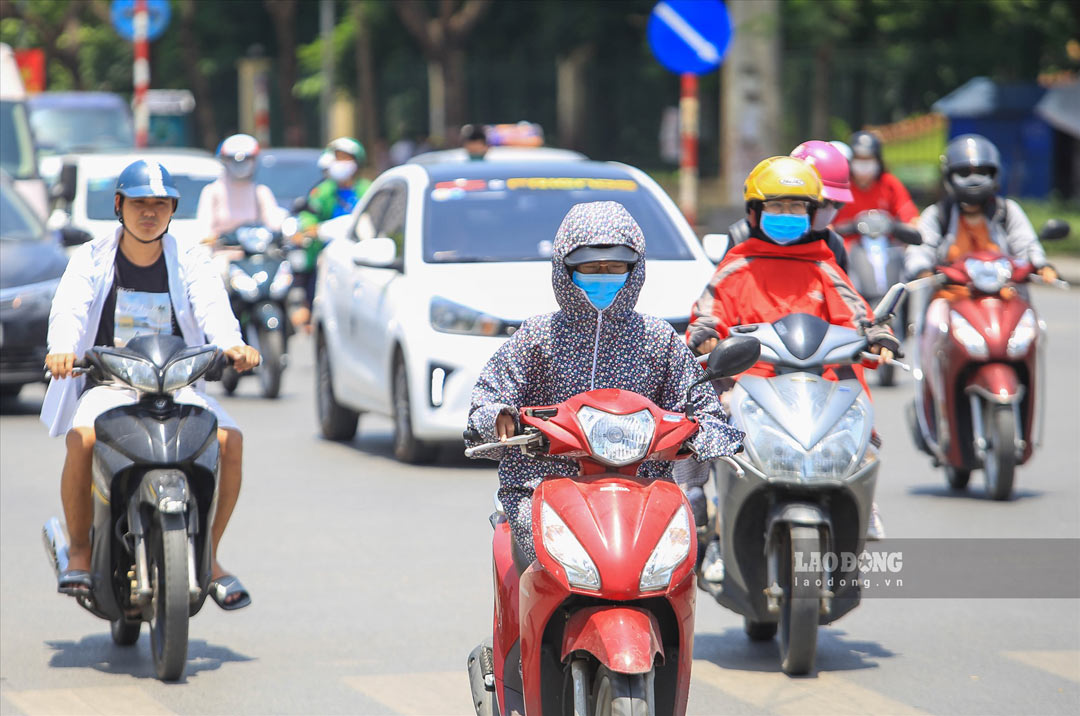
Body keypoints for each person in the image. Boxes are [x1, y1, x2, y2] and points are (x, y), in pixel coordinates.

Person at [466, 201, 744, 562]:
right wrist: (498, 417)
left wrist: (708, 433)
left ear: (635, 269)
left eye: (615, 267)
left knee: (679, 563)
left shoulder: (657, 339)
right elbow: (488, 396)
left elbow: (703, 406)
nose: (603, 274)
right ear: (565, 269)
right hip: (543, 485)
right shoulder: (538, 336)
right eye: (590, 267)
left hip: (645, 491)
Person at [41, 160, 260, 609]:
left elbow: (212, 304)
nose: (149, 213)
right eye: (139, 202)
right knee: (82, 440)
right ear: (119, 205)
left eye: (160, 204)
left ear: (172, 210)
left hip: (176, 383)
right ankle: (80, 552)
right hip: (110, 384)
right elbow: (71, 308)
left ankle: (211, 557)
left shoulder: (191, 258)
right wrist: (63, 347)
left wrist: (231, 344)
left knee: (230, 441)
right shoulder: (91, 257)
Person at [682, 157, 898, 575]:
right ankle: (701, 510)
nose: (788, 216)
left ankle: (861, 502)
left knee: (862, 426)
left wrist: (876, 334)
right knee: (701, 422)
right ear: (754, 213)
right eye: (777, 207)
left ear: (812, 213)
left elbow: (857, 316)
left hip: (818, 386)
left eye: (797, 208)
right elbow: (707, 313)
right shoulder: (735, 267)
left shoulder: (823, 267)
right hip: (748, 386)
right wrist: (705, 334)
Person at [905, 133, 1057, 284]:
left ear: (994, 174)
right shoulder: (938, 214)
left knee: (1027, 310)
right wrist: (922, 270)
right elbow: (921, 250)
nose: (974, 179)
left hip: (1004, 296)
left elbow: (1026, 245)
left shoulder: (1008, 211)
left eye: (982, 172)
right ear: (949, 176)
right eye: (964, 173)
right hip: (950, 297)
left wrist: (1041, 265)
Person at [725, 140, 854, 271]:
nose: (828, 210)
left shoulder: (832, 245)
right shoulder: (742, 237)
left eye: (837, 203)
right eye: (823, 202)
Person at [290, 137, 373, 329]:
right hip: (325, 255)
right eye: (337, 158)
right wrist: (310, 230)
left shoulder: (367, 189)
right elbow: (309, 217)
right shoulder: (323, 191)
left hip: (359, 254)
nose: (340, 163)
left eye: (345, 158)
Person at [833, 130, 920, 247]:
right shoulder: (841, 185)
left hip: (886, 251)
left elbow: (912, 221)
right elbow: (826, 226)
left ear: (878, 161)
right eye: (859, 159)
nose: (863, 165)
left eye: (868, 159)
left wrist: (893, 226)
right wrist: (851, 226)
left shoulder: (889, 184)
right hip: (846, 252)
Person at [196, 133, 285, 240]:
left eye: (247, 160)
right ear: (224, 160)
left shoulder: (260, 192)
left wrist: (284, 225)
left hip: (255, 251)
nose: (241, 165)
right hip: (221, 252)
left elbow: (273, 219)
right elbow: (204, 227)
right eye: (233, 160)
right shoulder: (212, 191)